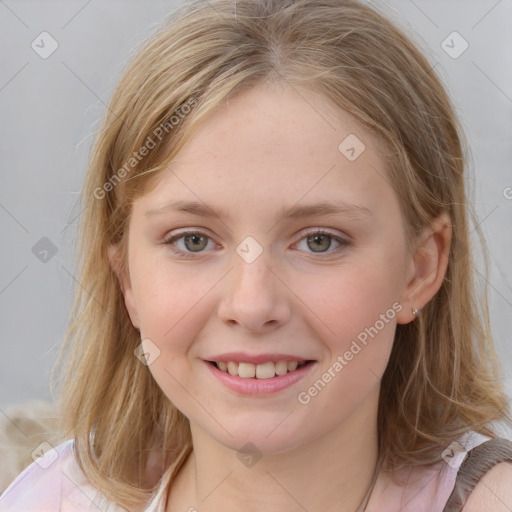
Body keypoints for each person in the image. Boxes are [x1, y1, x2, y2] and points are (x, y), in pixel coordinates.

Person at [2, 0, 512, 510]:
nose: (251, 305)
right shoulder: (52, 499)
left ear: (419, 270)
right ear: (127, 280)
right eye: (193, 241)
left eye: (320, 241)